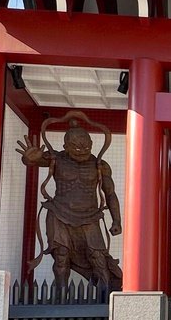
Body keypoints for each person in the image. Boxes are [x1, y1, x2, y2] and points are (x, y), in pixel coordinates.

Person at [17, 123, 123, 290]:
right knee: (61, 256)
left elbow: (110, 193)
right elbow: (32, 160)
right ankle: (61, 298)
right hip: (59, 213)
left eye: (86, 146)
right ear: (65, 146)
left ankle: (106, 298)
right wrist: (30, 157)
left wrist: (117, 220)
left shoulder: (100, 165)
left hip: (90, 216)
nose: (81, 150)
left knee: (98, 257)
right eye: (76, 147)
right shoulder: (56, 159)